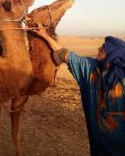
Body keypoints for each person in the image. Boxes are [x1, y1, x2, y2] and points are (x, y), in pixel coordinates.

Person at [34, 26, 125, 156]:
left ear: (113, 55)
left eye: (103, 48)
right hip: (98, 146)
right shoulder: (90, 68)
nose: (99, 49)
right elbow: (64, 54)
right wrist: (44, 35)